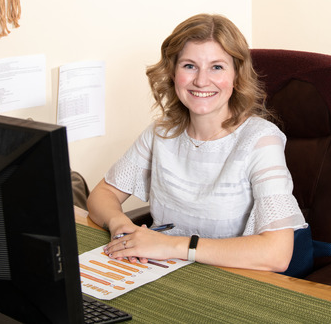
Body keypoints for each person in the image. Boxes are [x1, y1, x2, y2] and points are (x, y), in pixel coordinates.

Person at [87, 14, 307, 272]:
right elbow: (103, 194)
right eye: (189, 66)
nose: (202, 81)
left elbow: (277, 255)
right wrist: (119, 224)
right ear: (172, 72)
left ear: (236, 76)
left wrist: (171, 246)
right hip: (170, 271)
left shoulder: (260, 140)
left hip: (239, 279)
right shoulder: (162, 133)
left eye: (217, 67)